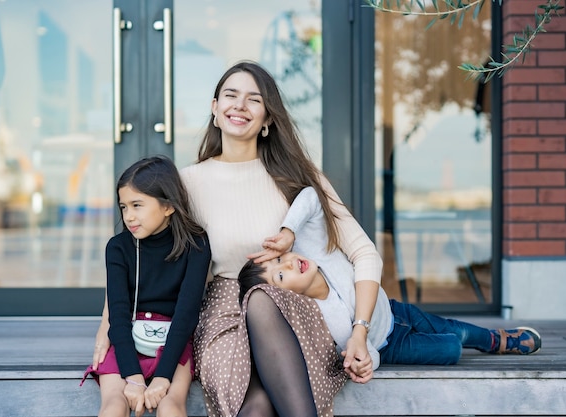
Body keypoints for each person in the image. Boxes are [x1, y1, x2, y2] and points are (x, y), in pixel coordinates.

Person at [92, 61, 381, 417]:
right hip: (222, 310)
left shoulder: (300, 178)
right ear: (215, 109)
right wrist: (107, 327)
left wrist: (359, 331)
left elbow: (364, 253)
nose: (239, 105)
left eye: (253, 99)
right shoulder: (187, 183)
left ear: (268, 119)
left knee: (262, 301)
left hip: (291, 311)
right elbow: (137, 254)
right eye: (230, 95)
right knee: (256, 409)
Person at [239, 186, 542, 372]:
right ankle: (472, 342)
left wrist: (288, 230)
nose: (290, 263)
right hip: (390, 345)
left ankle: (496, 340)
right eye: (281, 274)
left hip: (395, 311)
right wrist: (365, 363)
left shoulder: (311, 247)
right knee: (451, 348)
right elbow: (362, 352)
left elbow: (311, 196)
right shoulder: (319, 321)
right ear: (285, 297)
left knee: (454, 328)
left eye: (281, 259)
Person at [82, 155, 211, 417]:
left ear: (168, 206)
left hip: (173, 341)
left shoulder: (196, 245)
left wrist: (163, 377)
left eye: (137, 205)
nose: (129, 216)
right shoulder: (118, 248)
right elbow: (117, 317)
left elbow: (186, 317)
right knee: (114, 405)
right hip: (127, 337)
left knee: (170, 406)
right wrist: (133, 376)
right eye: (123, 207)